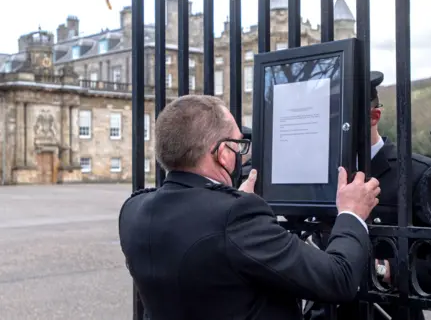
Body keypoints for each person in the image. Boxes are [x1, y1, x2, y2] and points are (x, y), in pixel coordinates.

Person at [118, 94, 381, 320]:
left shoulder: (133, 210)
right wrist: (350, 214)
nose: (241, 153)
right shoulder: (235, 217)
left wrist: (228, 197)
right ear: (222, 153)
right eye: (238, 144)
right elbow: (339, 278)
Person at [303, 72, 431, 320]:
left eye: (343, 120)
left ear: (375, 116)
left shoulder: (417, 174)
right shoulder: (318, 173)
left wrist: (383, 269)